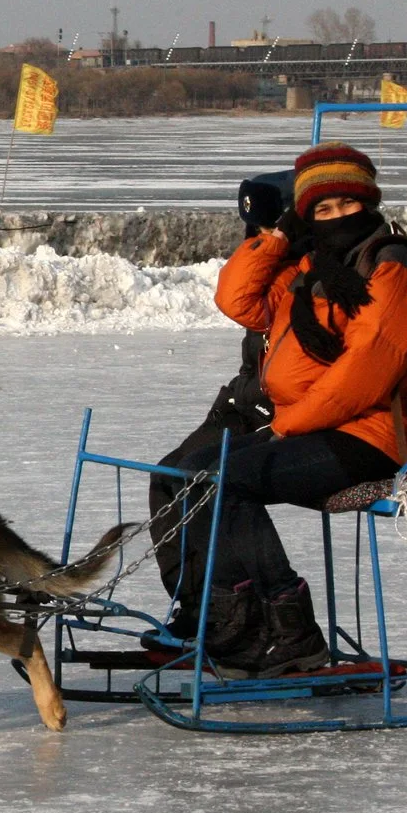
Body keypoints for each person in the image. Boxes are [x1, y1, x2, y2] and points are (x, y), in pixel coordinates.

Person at [166, 142, 407, 675]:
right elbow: (237, 300)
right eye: (322, 210)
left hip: (369, 436)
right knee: (188, 473)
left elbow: (365, 375)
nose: (337, 217)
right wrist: (280, 236)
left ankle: (291, 635)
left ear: (370, 203)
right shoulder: (313, 268)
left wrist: (285, 426)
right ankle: (234, 626)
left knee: (222, 480)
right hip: (314, 425)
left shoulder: (391, 268)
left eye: (347, 205)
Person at [144, 170, 289, 651]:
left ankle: (251, 616)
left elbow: (238, 300)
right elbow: (234, 292)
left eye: (270, 229)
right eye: (256, 233)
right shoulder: (274, 260)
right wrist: (269, 244)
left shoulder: (306, 267)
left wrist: (281, 245)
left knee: (204, 479)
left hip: (284, 411)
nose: (263, 240)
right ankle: (199, 606)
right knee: (167, 475)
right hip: (245, 404)